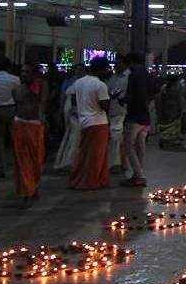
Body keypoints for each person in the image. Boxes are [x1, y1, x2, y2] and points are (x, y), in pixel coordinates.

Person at [69, 57, 112, 190]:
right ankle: (92, 181)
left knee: (84, 153)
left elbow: (73, 100)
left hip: (84, 122)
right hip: (98, 123)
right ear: (101, 69)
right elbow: (105, 105)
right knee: (97, 155)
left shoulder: (78, 82)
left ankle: (80, 179)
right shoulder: (100, 85)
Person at [12, 63, 48, 208]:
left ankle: (33, 187)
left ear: (34, 74)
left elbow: (43, 104)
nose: (23, 74)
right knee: (22, 161)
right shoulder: (16, 89)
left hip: (35, 126)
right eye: (22, 72)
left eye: (27, 72)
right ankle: (26, 192)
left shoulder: (40, 86)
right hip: (20, 125)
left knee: (36, 160)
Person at [120, 53, 154, 187]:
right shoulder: (148, 74)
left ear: (131, 63)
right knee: (140, 146)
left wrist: (123, 100)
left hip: (134, 115)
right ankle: (137, 174)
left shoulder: (134, 75)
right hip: (145, 116)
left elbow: (133, 95)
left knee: (128, 145)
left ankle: (139, 175)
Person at [54, 65, 84, 171]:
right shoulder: (74, 83)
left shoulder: (74, 83)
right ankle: (69, 161)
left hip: (73, 111)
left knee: (71, 136)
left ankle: (69, 160)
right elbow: (66, 97)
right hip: (73, 111)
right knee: (73, 136)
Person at [106, 61, 130, 173]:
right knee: (117, 138)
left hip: (123, 111)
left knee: (117, 137)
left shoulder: (128, 77)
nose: (116, 67)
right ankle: (118, 163)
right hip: (113, 110)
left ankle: (117, 164)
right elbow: (108, 92)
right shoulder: (113, 77)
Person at [156, 75, 186, 151]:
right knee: (172, 125)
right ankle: (169, 141)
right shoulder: (177, 88)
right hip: (174, 109)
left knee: (166, 124)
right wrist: (181, 110)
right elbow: (180, 100)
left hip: (165, 108)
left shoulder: (164, 87)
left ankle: (163, 140)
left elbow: (160, 99)